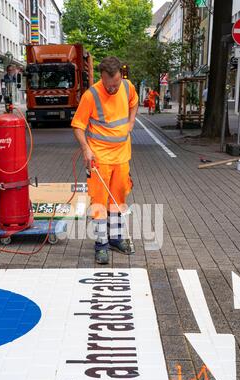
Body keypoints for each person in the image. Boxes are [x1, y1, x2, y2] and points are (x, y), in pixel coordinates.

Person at [71, 56, 139, 265]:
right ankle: (101, 245)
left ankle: (116, 239)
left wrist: (130, 122)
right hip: (99, 158)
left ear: (121, 76)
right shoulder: (91, 96)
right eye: (109, 85)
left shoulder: (128, 87)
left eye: (116, 84)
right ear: (102, 78)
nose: (113, 89)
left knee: (118, 199)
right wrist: (86, 150)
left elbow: (134, 103)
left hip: (121, 156)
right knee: (100, 202)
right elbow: (78, 126)